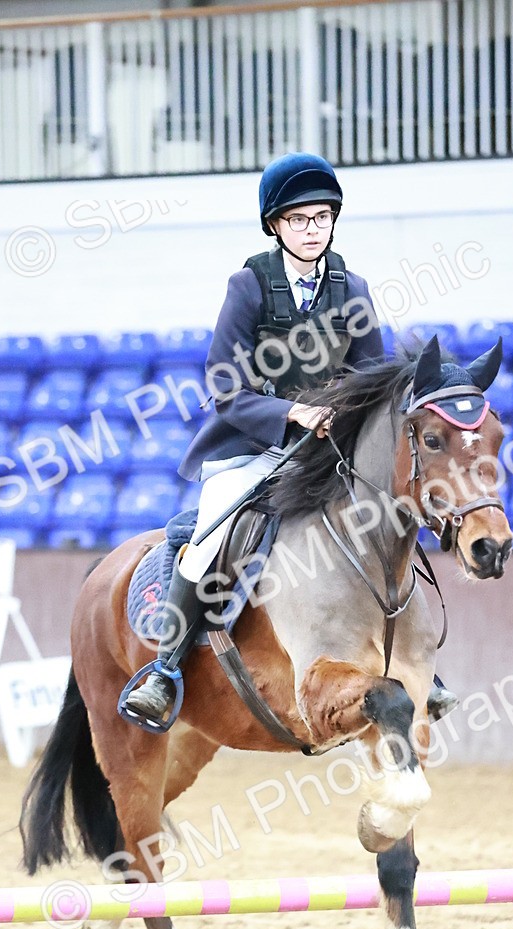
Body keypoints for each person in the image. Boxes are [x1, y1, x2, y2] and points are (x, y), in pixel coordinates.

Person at [123, 152, 457, 730]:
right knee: (209, 536)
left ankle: (416, 659)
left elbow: (372, 378)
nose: (312, 229)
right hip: (251, 445)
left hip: (327, 450)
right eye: (300, 219)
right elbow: (224, 383)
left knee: (387, 520)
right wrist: (290, 413)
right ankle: (165, 670)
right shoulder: (249, 286)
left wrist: (344, 423)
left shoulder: (350, 289)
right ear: (276, 224)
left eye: (323, 217)